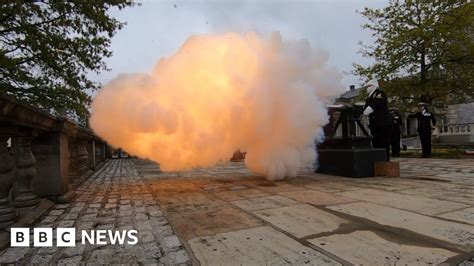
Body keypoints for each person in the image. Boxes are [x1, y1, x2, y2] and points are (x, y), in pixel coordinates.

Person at [363, 79, 392, 161]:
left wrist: (365, 112)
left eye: (369, 86)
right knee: (376, 143)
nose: (367, 88)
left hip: (383, 123)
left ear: (374, 86)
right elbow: (366, 107)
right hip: (375, 124)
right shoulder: (369, 97)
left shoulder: (379, 93)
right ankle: (378, 161)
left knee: (384, 143)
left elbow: (374, 105)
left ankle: (385, 161)